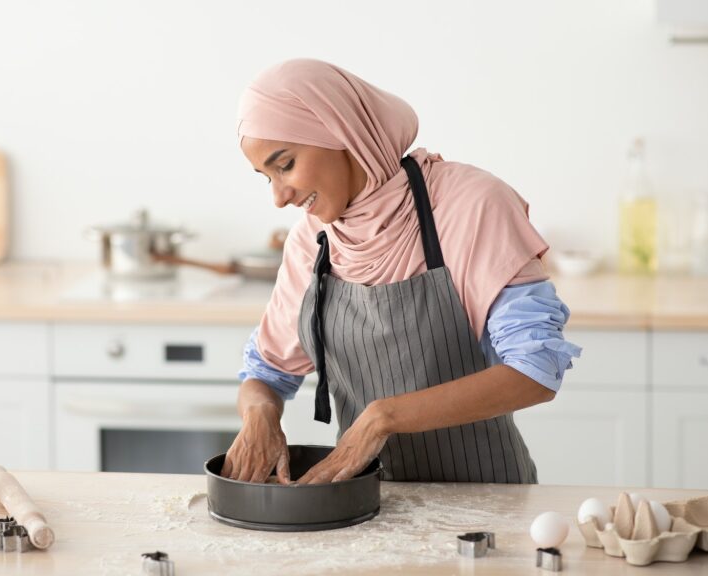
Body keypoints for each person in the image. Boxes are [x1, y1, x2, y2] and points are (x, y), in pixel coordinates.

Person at [222, 59, 581, 486]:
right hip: (366, 508)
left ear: (340, 132)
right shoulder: (312, 241)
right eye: (266, 178)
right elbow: (266, 372)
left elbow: (535, 370)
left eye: (285, 165)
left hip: (487, 502)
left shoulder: (472, 206)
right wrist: (260, 412)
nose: (279, 198)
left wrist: (383, 417)